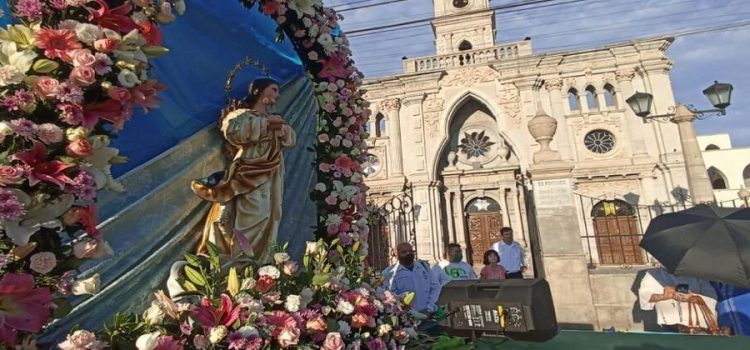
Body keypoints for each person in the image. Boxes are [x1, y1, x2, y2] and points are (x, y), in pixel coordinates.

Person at [191, 78, 296, 263]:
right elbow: (233, 130)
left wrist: (281, 128)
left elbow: (290, 140)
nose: (277, 95)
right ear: (259, 92)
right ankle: (240, 260)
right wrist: (265, 124)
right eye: (274, 90)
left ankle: (259, 263)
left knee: (270, 215)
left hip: (272, 174)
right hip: (249, 168)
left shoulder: (274, 118)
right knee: (253, 213)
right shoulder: (241, 114)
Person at [638, 267, 718, 332]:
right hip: (670, 325)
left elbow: (712, 298)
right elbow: (645, 296)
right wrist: (664, 296)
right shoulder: (654, 275)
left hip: (698, 326)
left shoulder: (698, 275)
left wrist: (691, 298)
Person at [382, 242, 441, 317]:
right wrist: (408, 312)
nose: (408, 254)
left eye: (410, 251)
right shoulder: (390, 272)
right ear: (397, 255)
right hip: (407, 317)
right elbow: (391, 295)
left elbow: (435, 287)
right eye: (404, 252)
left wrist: (430, 306)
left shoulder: (424, 267)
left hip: (427, 312)